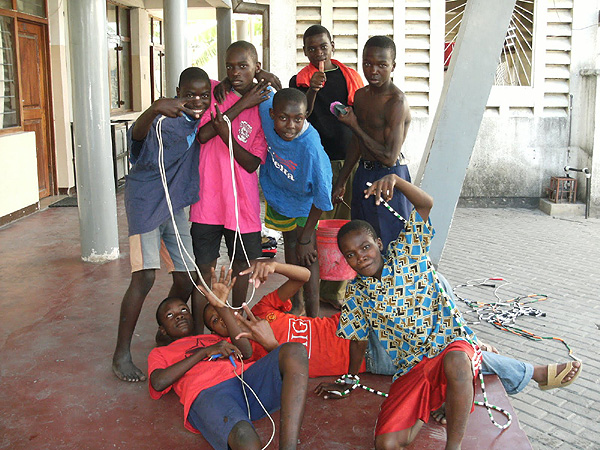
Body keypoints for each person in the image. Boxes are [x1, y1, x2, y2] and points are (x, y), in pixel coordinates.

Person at [203, 261, 582, 397]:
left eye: (218, 312)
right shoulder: (247, 350)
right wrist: (266, 344)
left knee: (432, 278)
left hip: (361, 323)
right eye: (216, 322)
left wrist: (274, 266)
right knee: (441, 345)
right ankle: (532, 373)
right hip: (368, 355)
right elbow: (270, 358)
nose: (221, 319)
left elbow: (303, 276)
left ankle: (466, 336)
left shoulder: (265, 309)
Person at [318, 173, 478, 450]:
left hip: (451, 347)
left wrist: (396, 180)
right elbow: (358, 340)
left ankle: (454, 445)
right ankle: (434, 401)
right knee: (387, 444)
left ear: (379, 244)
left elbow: (425, 204)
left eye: (365, 247)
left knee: (456, 363)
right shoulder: (356, 294)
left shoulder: (408, 252)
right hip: (413, 367)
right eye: (351, 254)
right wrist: (350, 377)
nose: (360, 257)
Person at [112, 67, 211, 383]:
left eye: (203, 95)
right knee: (144, 277)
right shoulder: (160, 120)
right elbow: (137, 136)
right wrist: (154, 106)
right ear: (177, 92)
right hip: (146, 202)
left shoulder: (198, 119)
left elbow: (230, 90)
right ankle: (121, 354)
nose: (196, 100)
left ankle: (176, 331)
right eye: (189, 94)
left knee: (188, 277)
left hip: (175, 201)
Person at [149, 267, 309, 450]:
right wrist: (204, 352)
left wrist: (221, 306)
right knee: (246, 440)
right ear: (162, 329)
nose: (179, 316)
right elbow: (158, 382)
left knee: (294, 350)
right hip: (209, 393)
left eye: (184, 310)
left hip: (246, 381)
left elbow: (246, 352)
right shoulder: (161, 353)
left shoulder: (213, 337)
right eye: (170, 315)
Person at [190, 40, 270, 310]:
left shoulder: (264, 107)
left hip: (242, 204)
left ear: (256, 68)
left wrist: (226, 131)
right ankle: (199, 332)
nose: (235, 73)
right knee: (204, 269)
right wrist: (240, 104)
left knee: (242, 267)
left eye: (243, 66)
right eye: (229, 67)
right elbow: (202, 135)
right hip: (207, 201)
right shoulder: (214, 91)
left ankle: (237, 319)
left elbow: (251, 164)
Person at [290, 24, 365, 309]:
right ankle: (312, 287)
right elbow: (301, 116)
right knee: (315, 227)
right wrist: (312, 89)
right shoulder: (301, 79)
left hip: (347, 161)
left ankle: (334, 292)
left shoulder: (349, 76)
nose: (318, 52)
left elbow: (357, 116)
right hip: (315, 162)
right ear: (305, 51)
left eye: (322, 46)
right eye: (311, 48)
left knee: (342, 227)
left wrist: (350, 169)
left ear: (332, 45)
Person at [258, 88, 333, 317]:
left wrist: (307, 236)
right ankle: (296, 305)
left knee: (307, 254)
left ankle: (313, 316)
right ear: (272, 114)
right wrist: (268, 81)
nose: (290, 125)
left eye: (298, 119)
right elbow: (266, 92)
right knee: (290, 244)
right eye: (283, 118)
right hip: (280, 194)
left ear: (305, 117)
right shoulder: (264, 110)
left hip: (307, 204)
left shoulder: (311, 149)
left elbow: (322, 199)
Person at [332, 35, 412, 249]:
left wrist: (354, 125)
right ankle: (367, 284)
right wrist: (342, 181)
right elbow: (357, 143)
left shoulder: (396, 102)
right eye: (367, 63)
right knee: (362, 241)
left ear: (393, 66)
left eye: (381, 65)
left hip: (389, 177)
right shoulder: (360, 96)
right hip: (363, 174)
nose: (373, 70)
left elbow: (389, 157)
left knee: (390, 243)